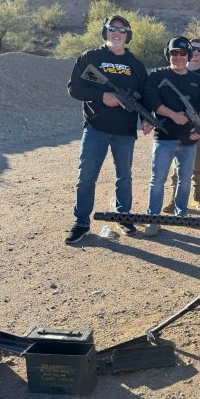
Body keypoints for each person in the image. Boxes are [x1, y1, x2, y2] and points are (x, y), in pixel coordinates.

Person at [65, 15, 148, 244]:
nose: (117, 33)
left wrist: (147, 119)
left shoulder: (136, 65)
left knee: (124, 177)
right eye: (112, 29)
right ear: (105, 32)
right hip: (95, 128)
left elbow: (145, 98)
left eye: (121, 30)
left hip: (125, 131)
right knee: (86, 177)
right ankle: (81, 222)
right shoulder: (91, 57)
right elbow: (74, 89)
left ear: (127, 35)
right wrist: (103, 96)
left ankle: (123, 216)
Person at [142, 36, 200, 236]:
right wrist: (173, 115)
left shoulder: (198, 80)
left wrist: (199, 128)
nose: (178, 57)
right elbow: (152, 101)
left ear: (188, 55)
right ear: (168, 55)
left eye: (182, 53)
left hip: (189, 139)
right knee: (158, 179)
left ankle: (181, 214)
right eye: (174, 53)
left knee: (185, 180)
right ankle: (152, 218)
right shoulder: (157, 76)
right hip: (164, 137)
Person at [163, 38, 200, 213]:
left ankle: (196, 196)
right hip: (177, 125)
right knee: (176, 164)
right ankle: (174, 198)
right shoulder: (176, 70)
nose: (196, 52)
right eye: (193, 49)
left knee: (199, 161)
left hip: (199, 125)